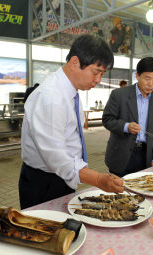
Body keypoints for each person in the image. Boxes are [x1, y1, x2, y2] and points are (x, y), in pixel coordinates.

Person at [19, 34, 124, 209]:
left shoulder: (71, 91)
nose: (98, 80)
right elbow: (55, 155)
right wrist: (97, 179)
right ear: (75, 62)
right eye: (96, 72)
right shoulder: (52, 97)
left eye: (102, 74)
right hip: (44, 183)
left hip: (62, 177)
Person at [103, 57, 153, 177]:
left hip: (145, 155)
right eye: (147, 78)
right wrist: (126, 126)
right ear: (137, 76)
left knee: (142, 190)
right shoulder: (119, 94)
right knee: (118, 191)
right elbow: (107, 120)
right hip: (121, 153)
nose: (151, 83)